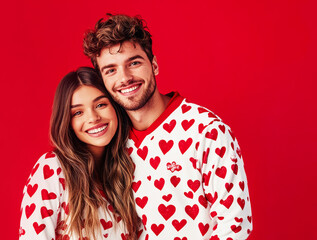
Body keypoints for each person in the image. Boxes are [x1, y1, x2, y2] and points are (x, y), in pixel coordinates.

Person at [83, 14, 252, 239]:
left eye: (134, 63)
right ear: (103, 81)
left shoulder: (206, 131)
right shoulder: (110, 141)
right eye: (111, 70)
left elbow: (235, 225)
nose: (124, 78)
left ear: (154, 65)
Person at [19, 67, 144, 240]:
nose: (93, 118)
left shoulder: (128, 168)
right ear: (67, 121)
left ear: (115, 107)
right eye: (78, 112)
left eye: (100, 105)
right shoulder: (52, 168)